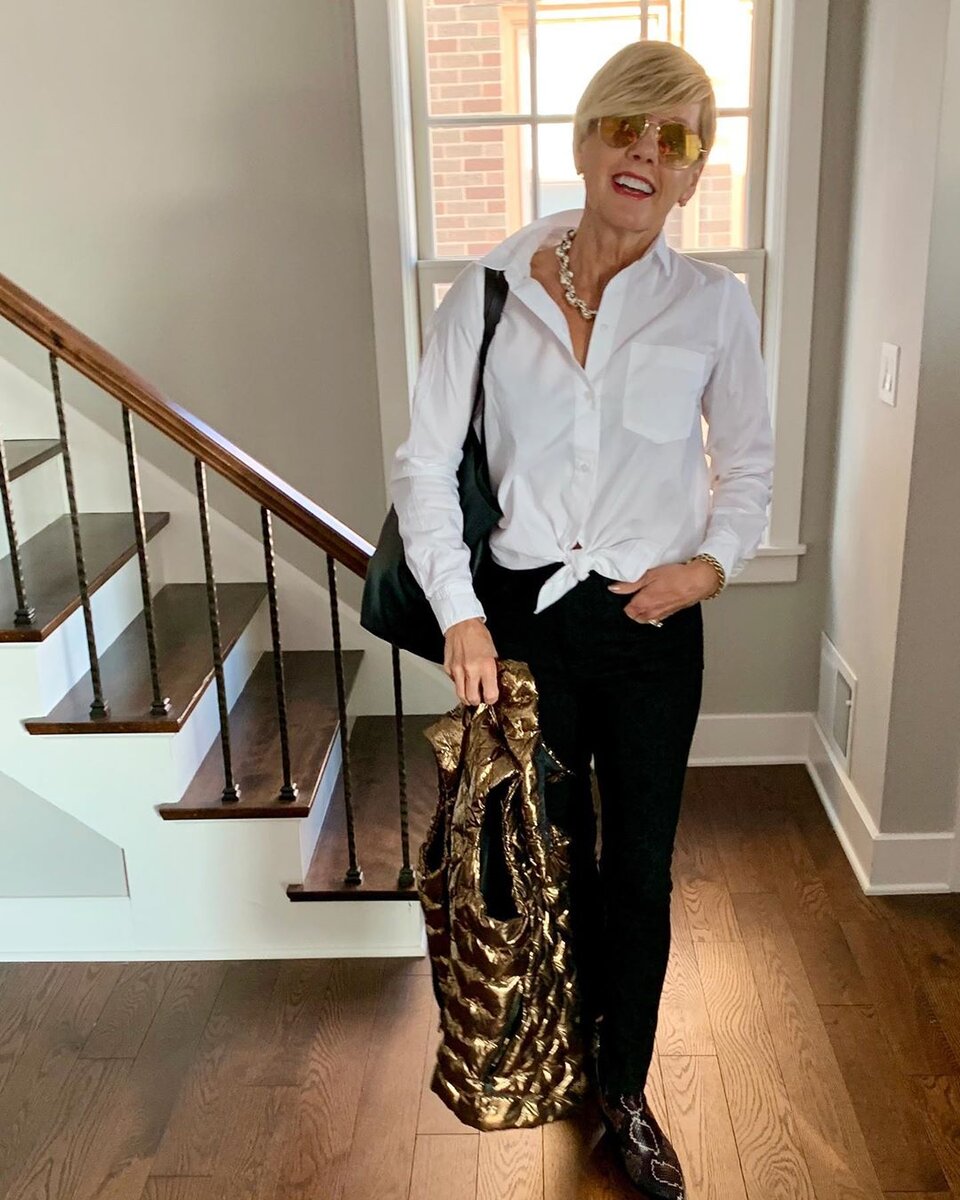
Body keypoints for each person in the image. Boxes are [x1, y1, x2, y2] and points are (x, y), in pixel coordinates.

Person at [390, 37, 775, 1199]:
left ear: (692, 172)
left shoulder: (714, 306)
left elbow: (749, 468)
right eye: (626, 126)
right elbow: (424, 466)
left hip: (652, 628)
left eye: (675, 139)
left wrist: (707, 570)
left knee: (640, 869)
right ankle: (554, 1058)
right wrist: (461, 618)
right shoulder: (490, 289)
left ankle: (624, 1087)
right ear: (587, 138)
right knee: (543, 860)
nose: (646, 152)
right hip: (522, 627)